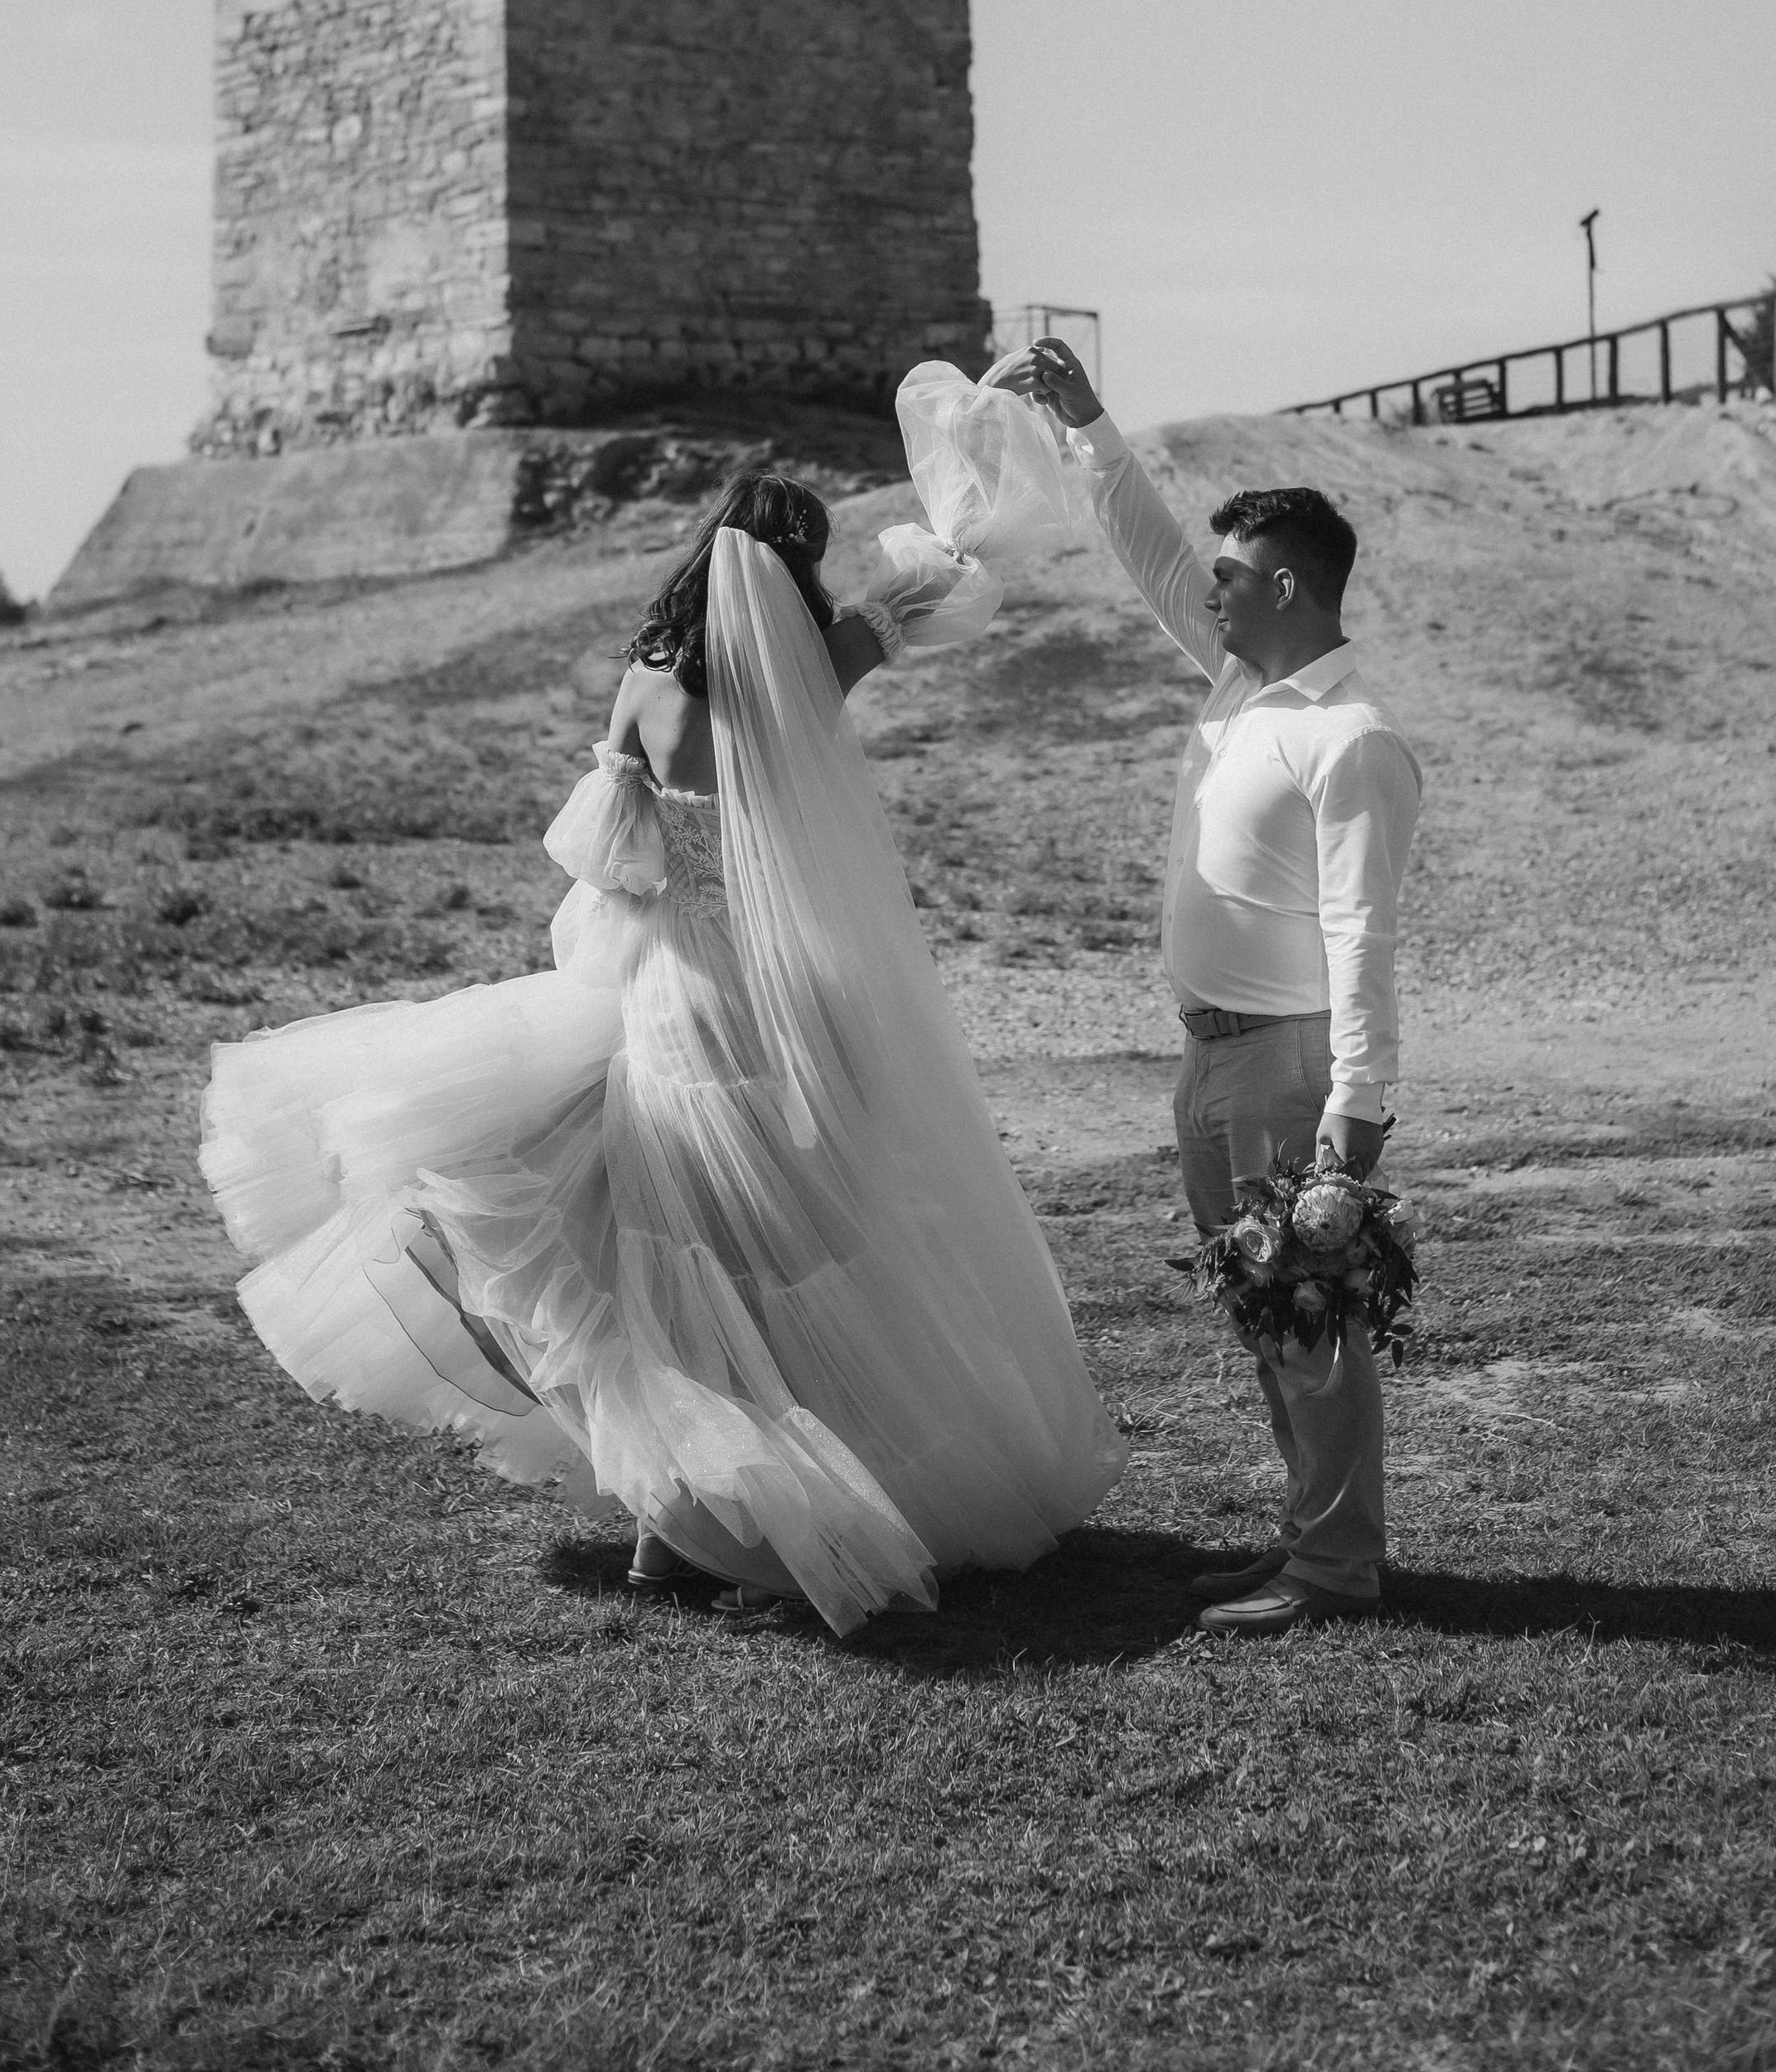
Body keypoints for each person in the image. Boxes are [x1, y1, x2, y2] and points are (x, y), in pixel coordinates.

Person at [200, 468, 1125, 1637]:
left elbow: (604, 852)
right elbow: (925, 608)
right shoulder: (806, 669)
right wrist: (947, 549)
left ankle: (662, 1529)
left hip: (651, 983)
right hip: (758, 985)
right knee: (774, 1247)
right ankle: (753, 1522)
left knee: (654, 1245)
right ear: (792, 570)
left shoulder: (646, 681)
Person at [1007, 340, 1421, 1635]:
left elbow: (1363, 933)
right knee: (1267, 1313)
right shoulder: (1242, 684)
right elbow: (1149, 552)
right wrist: (1088, 425)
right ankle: (1305, 1544)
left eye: (1232, 578)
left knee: (1311, 1323)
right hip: (1210, 1059)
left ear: (1287, 585)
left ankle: (1338, 1572)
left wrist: (1358, 1112)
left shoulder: (1350, 741)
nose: (1209, 594)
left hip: (1290, 1067)